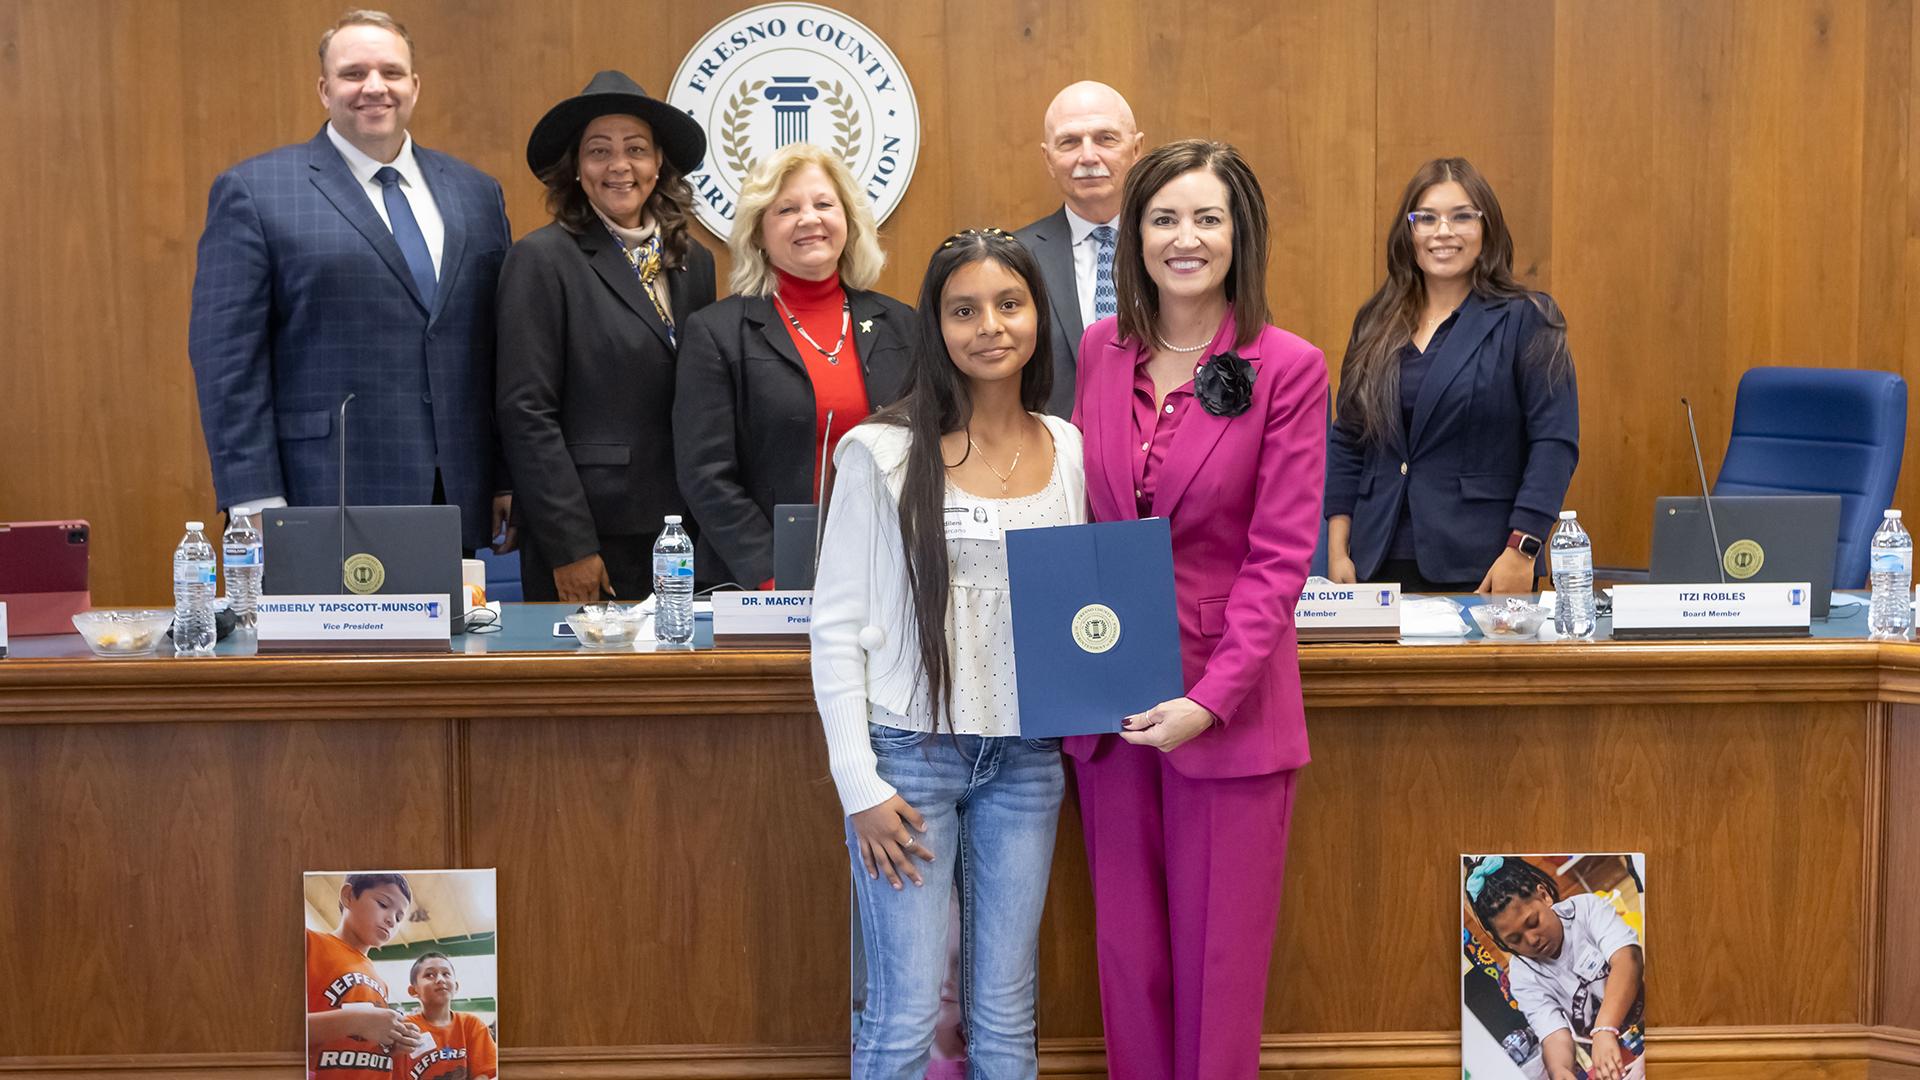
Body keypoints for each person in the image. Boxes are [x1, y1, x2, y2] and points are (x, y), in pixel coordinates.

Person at [1068, 139, 1326, 1080]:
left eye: (1206, 217)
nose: (1185, 237)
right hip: (1111, 706)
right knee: (1128, 961)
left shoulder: (1287, 365)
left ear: (1239, 233)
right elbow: (1086, 517)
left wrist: (1210, 699)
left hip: (1228, 708)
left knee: (1219, 973)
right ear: (1133, 235)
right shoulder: (1100, 351)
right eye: (1164, 218)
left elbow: (1279, 558)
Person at [810, 228, 1085, 1077]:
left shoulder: (1068, 445)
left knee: (1006, 1011)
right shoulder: (880, 451)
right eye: (964, 310)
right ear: (937, 326)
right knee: (902, 1011)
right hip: (909, 763)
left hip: (1028, 759)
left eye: (1010, 304)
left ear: (1038, 315)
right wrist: (860, 785)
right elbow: (835, 628)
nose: (990, 326)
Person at [188, 10, 514, 554]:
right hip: (319, 491)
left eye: (391, 72)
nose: (374, 87)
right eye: (353, 73)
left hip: (454, 490)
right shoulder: (256, 190)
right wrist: (252, 497)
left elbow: (498, 347)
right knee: (336, 645)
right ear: (324, 88)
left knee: (451, 641)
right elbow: (226, 360)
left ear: (415, 85)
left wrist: (504, 475)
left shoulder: (477, 193)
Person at [496, 71, 715, 602]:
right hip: (588, 536)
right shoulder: (542, 259)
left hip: (681, 532)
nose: (620, 166)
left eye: (636, 149)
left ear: (659, 163)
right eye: (599, 151)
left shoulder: (694, 263)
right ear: (576, 168)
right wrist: (570, 546)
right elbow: (527, 412)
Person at [1324, 157, 1577, 593]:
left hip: (1483, 565)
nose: (1444, 232)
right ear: (1410, 232)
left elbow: (1554, 443)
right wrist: (1337, 548)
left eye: (1462, 216)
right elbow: (1349, 438)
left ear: (1487, 229)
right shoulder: (1375, 322)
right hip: (1375, 559)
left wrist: (1523, 549)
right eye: (1427, 218)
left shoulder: (1527, 319)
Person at [674, 144, 915, 590]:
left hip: (888, 568)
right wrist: (774, 574)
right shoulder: (716, 332)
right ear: (759, 233)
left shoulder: (902, 324)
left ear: (849, 221)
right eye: (787, 209)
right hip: (764, 583)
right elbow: (705, 474)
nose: (810, 219)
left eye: (824, 204)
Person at [1013, 82, 1147, 418]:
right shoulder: (1014, 257)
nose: (1088, 157)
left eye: (1105, 138)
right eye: (1070, 142)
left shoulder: (1178, 248)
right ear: (1048, 158)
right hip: (1053, 459)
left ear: (1136, 149)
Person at [1465, 857, 1646, 1080]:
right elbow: (1553, 1034)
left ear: (1544, 896)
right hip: (1614, 1054)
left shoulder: (1586, 909)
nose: (1531, 940)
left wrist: (1604, 1028)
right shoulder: (1522, 976)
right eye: (1515, 939)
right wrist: (1559, 1070)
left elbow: (1628, 959)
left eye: (1533, 922)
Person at [307, 873, 432, 1079]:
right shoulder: (309, 943)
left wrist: (393, 1041)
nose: (392, 920)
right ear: (348, 896)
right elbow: (275, 1032)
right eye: (383, 904)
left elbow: (360, 1043)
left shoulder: (381, 983)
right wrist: (356, 1021)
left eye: (399, 917)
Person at [391, 951, 499, 1080]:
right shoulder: (404, 1028)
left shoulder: (472, 1024)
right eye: (429, 975)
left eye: (446, 974)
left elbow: (485, 1073)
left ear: (456, 986)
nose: (440, 979)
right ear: (414, 990)